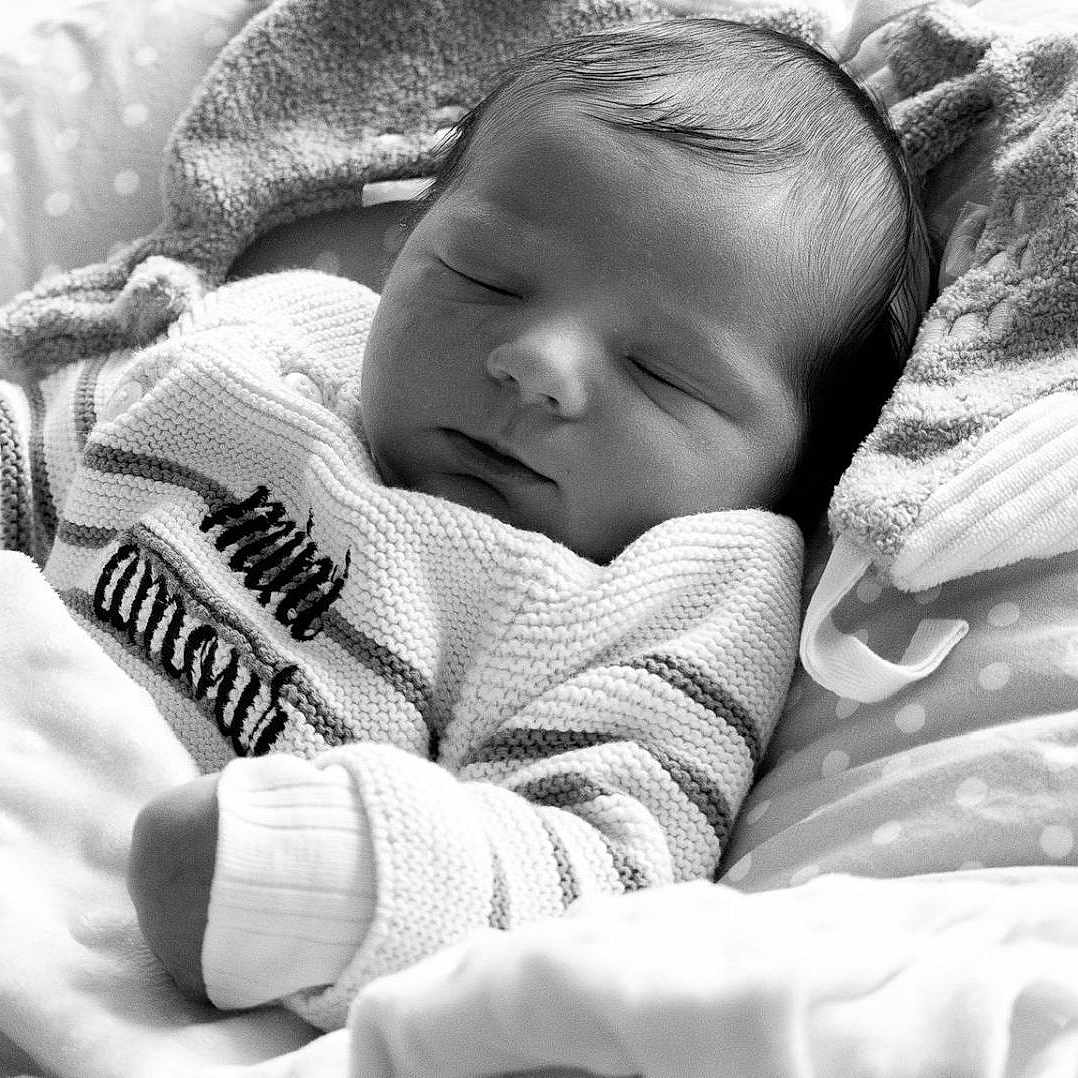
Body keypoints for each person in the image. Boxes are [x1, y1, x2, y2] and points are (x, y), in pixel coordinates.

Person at [0, 17, 928, 1030]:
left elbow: (603, 877)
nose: (535, 362)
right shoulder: (273, 347)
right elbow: (40, 458)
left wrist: (322, 880)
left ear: (790, 468)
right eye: (484, 277)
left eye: (659, 371)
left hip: (130, 966)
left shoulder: (680, 589)